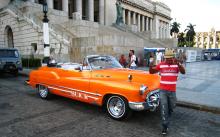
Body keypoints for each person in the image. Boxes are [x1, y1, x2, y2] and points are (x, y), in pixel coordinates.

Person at [149, 48, 185, 135]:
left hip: (172, 91)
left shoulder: (176, 65)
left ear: (173, 57)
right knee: (164, 107)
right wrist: (151, 65)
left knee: (172, 106)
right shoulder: (161, 65)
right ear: (165, 58)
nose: (168, 60)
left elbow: (183, 72)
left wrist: (179, 65)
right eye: (167, 58)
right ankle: (165, 126)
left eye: (170, 58)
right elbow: (151, 72)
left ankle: (166, 117)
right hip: (163, 91)